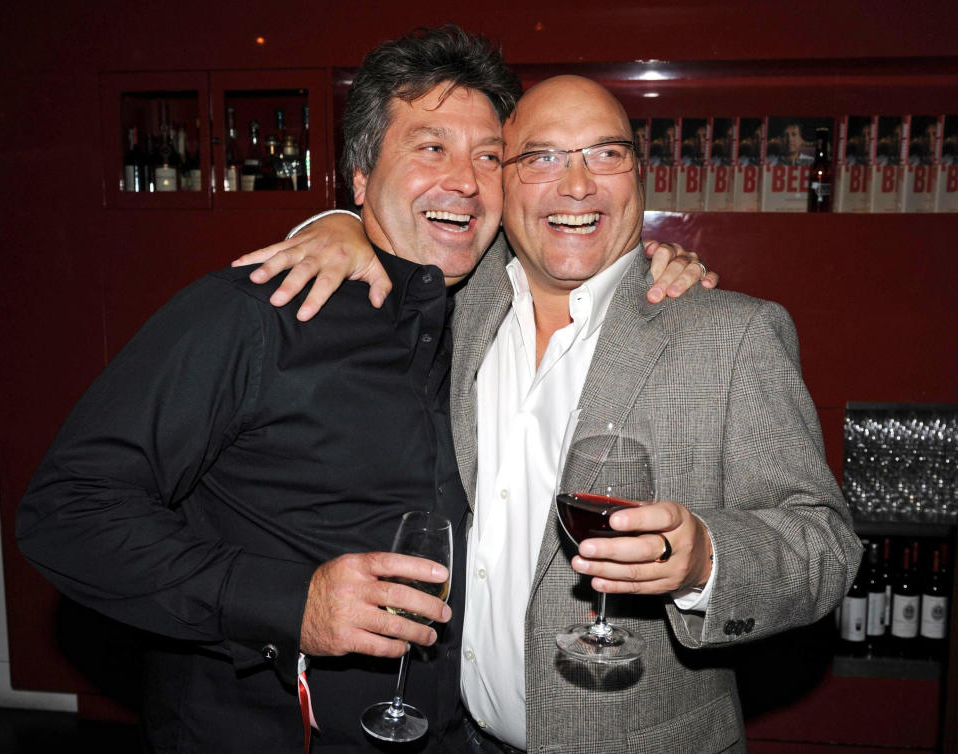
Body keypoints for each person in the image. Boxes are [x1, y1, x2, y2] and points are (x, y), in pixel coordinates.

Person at [15, 27, 710, 754]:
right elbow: (66, 513)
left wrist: (650, 269)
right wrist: (293, 604)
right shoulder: (255, 315)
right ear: (357, 177)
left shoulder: (485, 322)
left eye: (488, 157)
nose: (466, 182)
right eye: (430, 147)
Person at [249, 75, 862, 754]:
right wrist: (330, 221)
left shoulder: (731, 336)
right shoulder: (459, 301)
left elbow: (824, 546)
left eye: (606, 155)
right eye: (541, 158)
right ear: (501, 186)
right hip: (456, 739)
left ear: (639, 176)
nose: (577, 186)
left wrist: (705, 561)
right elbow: (390, 217)